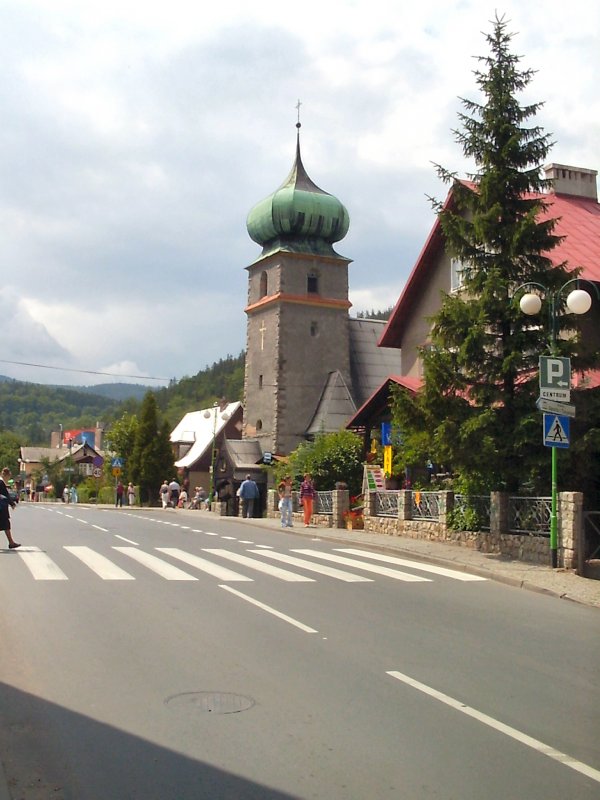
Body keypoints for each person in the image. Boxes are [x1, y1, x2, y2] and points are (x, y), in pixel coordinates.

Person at [0, 467, 20, 549]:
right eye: (8, 476)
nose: (8, 479)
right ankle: (11, 543)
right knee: (6, 524)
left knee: (6, 525)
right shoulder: (1, 482)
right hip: (1, 508)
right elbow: (5, 494)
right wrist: (12, 503)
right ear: (6, 475)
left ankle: (11, 542)